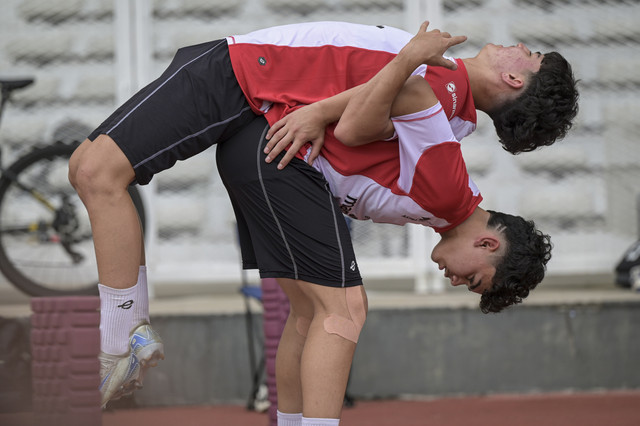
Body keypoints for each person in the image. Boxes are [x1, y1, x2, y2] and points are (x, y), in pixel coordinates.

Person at [67, 20, 569, 419]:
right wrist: (331, 105)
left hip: (265, 122)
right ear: (487, 247)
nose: (522, 45)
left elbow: (373, 123)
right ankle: (124, 332)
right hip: (244, 76)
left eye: (532, 54)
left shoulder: (454, 121)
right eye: (473, 280)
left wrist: (329, 111)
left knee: (317, 312)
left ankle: (127, 331)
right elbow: (373, 114)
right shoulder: (447, 134)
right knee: (94, 171)